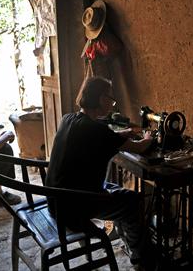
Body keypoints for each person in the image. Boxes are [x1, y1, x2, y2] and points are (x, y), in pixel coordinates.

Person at [46, 77, 155, 268]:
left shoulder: (68, 119)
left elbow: (98, 137)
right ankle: (141, 259)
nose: (112, 103)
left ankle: (129, 240)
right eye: (110, 99)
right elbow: (140, 148)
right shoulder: (100, 132)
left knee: (116, 189)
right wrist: (148, 136)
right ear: (100, 98)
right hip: (75, 207)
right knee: (133, 202)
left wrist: (120, 135)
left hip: (56, 201)